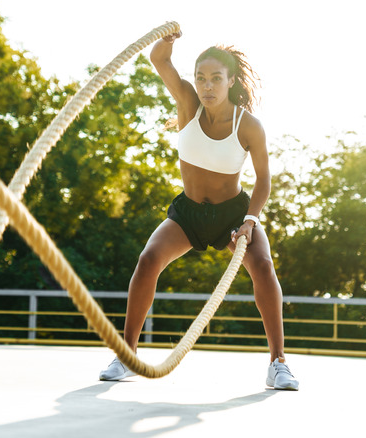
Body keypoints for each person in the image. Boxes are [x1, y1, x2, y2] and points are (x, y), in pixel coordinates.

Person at [98, 31, 299, 391]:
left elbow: (264, 180)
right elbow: (159, 60)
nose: (207, 86)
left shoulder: (248, 125)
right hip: (189, 213)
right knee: (147, 260)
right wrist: (167, 40)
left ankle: (278, 362)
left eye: (216, 79)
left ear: (230, 81)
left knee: (264, 267)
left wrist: (250, 221)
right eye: (201, 77)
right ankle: (126, 354)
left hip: (234, 216)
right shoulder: (188, 103)